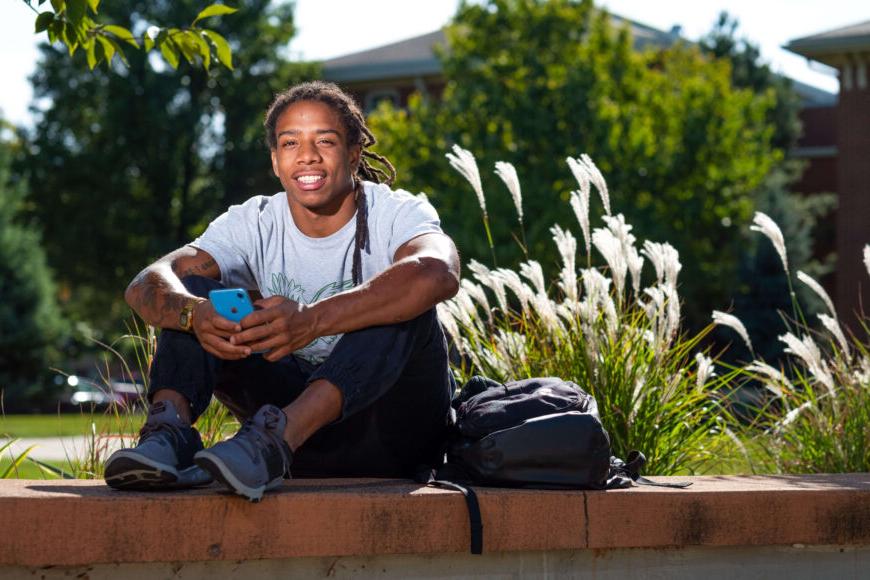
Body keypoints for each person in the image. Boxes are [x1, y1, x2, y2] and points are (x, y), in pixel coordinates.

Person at [104, 81, 460, 501]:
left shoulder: (396, 211)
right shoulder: (254, 221)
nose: (307, 155)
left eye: (324, 141)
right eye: (290, 143)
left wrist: (311, 320)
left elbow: (436, 272)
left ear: (353, 153)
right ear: (275, 160)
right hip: (296, 447)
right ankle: (168, 434)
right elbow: (146, 283)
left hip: (394, 437)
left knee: (402, 303)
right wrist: (194, 314)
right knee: (194, 291)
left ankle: (274, 441)